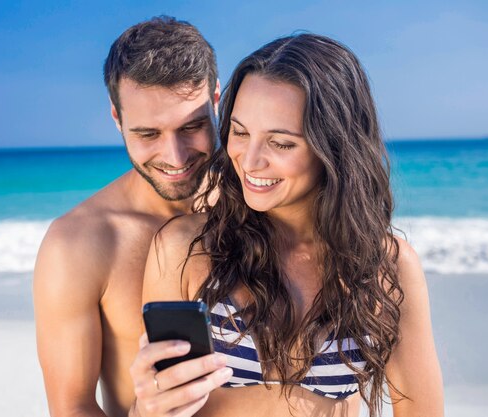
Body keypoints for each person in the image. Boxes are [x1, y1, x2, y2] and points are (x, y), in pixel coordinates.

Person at [130, 33, 444, 417]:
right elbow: (158, 405)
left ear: (333, 149)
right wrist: (145, 407)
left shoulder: (385, 266)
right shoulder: (185, 249)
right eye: (240, 132)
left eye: (280, 143)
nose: (249, 160)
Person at [33, 16, 230, 417]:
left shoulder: (267, 205)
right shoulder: (80, 243)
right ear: (117, 119)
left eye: (191, 127)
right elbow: (71, 408)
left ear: (215, 101)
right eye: (147, 135)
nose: (175, 157)